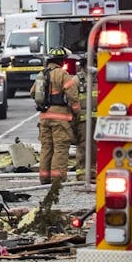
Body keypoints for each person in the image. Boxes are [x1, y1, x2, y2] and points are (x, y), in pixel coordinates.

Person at [36, 47, 81, 184]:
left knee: (46, 148)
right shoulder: (63, 74)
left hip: (44, 117)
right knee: (60, 149)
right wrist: (77, 112)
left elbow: (33, 93)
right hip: (60, 118)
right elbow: (72, 96)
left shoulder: (41, 74)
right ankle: (58, 178)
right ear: (61, 61)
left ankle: (44, 177)